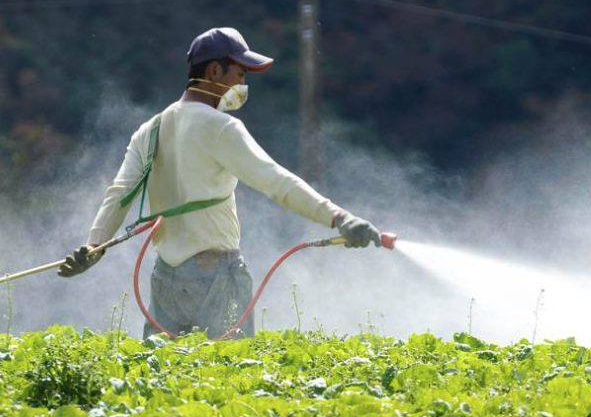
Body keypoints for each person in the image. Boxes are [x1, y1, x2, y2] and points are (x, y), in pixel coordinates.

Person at [58, 27, 382, 339]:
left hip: (165, 279)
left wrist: (94, 246)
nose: (242, 85)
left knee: (162, 380)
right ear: (215, 71)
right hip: (215, 276)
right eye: (239, 75)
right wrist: (339, 218)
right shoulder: (221, 127)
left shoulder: (150, 129)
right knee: (230, 382)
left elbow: (120, 195)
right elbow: (277, 182)